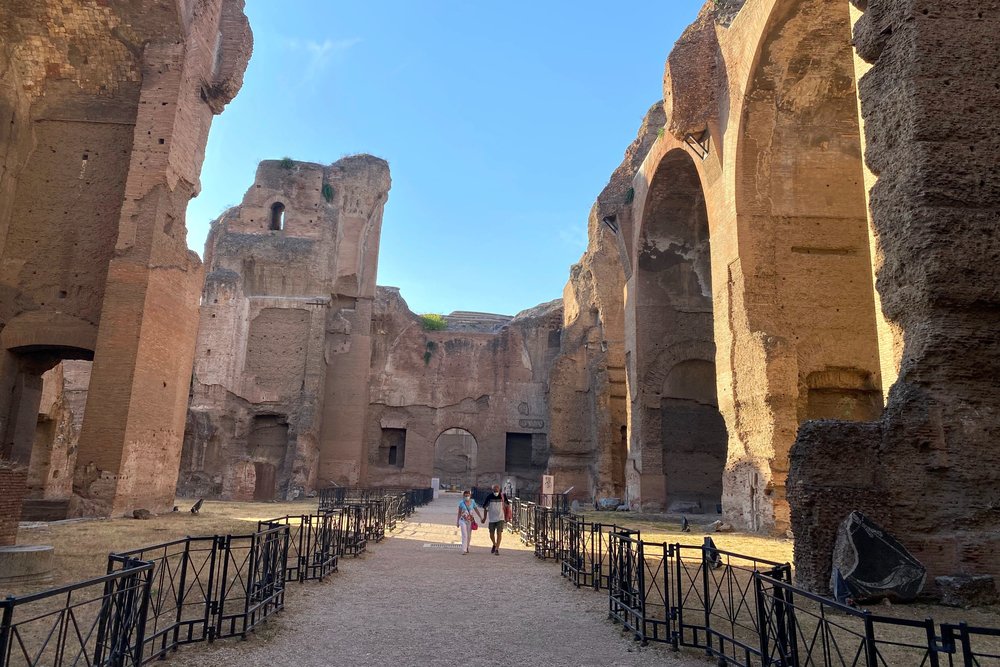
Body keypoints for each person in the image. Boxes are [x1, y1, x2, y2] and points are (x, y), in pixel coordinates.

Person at [480, 483, 509, 554]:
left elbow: (507, 506)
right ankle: (494, 544)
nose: (496, 492)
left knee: (499, 533)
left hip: (500, 518)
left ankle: (497, 549)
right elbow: (485, 508)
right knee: (491, 534)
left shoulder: (503, 496)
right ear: (492, 490)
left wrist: (507, 516)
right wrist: (484, 518)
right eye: (494, 490)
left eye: (497, 490)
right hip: (492, 518)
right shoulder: (489, 497)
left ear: (499, 489)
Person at [456, 490, 482, 554]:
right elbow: (459, 512)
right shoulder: (461, 503)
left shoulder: (473, 502)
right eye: (465, 496)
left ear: (470, 496)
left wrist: (480, 517)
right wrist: (457, 521)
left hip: (470, 521)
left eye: (468, 496)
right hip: (462, 520)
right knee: (464, 535)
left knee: (469, 535)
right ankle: (464, 549)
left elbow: (476, 510)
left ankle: (467, 546)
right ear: (463, 496)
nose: (467, 497)